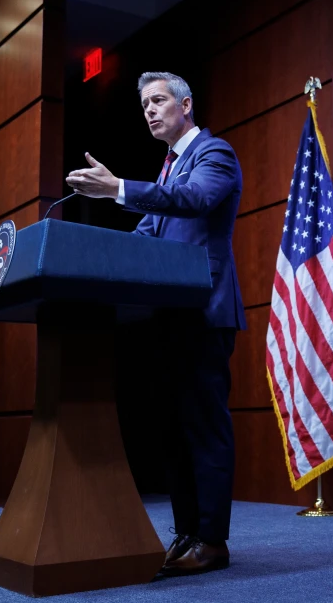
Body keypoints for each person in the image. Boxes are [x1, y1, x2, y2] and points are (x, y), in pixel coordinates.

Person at [66, 71, 246, 577]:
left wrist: (118, 188)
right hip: (167, 313)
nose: (149, 110)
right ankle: (187, 533)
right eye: (144, 103)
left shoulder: (214, 154)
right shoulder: (168, 170)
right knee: (173, 430)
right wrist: (85, 252)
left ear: (185, 105)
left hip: (204, 311)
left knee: (204, 428)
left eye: (159, 100)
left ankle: (213, 541)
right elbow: (145, 236)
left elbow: (196, 200)